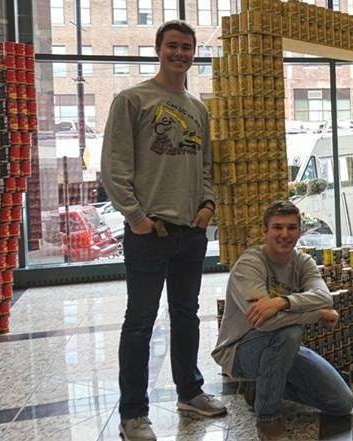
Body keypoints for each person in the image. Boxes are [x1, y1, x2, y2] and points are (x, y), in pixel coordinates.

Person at [100, 20, 224, 441]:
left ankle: (190, 391)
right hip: (148, 231)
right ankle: (133, 413)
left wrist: (208, 205)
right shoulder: (132, 99)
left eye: (187, 47)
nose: (181, 53)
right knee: (140, 322)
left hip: (190, 231)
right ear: (158, 50)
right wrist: (136, 217)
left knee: (187, 316)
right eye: (173, 46)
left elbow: (205, 166)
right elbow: (114, 166)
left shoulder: (198, 108)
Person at [212, 200, 353, 438]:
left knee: (341, 403)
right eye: (277, 227)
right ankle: (267, 417)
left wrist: (282, 302)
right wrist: (315, 314)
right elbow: (264, 322)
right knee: (290, 333)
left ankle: (262, 387)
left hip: (282, 349)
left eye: (291, 227)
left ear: (299, 231)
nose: (284, 234)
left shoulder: (303, 262)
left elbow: (324, 297)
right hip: (240, 350)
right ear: (265, 231)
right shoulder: (249, 264)